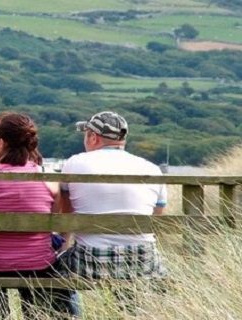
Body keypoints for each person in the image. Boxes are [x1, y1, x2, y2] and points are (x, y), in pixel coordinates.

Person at [0, 112, 76, 320]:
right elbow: (52, 219)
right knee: (36, 260)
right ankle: (34, 315)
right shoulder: (48, 178)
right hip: (37, 264)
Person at [59, 111, 168, 311]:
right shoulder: (152, 168)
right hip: (142, 258)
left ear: (93, 137)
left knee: (53, 273)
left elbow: (66, 214)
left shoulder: (74, 163)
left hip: (91, 258)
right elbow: (155, 220)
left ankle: (72, 316)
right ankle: (130, 313)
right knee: (132, 283)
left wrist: (63, 246)